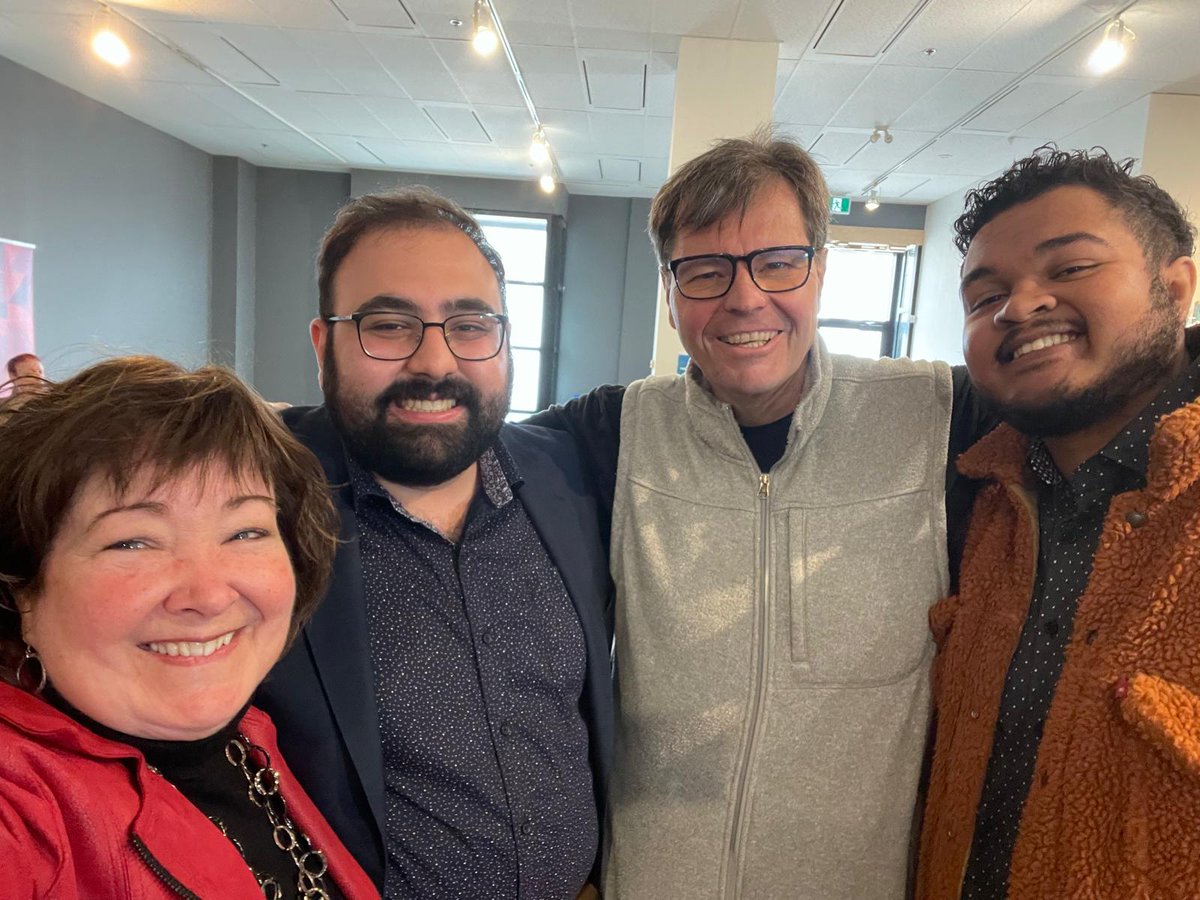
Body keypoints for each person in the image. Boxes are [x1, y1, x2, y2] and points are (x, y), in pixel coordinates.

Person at [528, 131, 990, 898]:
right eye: (705, 271)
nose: (745, 298)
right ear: (670, 293)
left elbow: (1132, 383)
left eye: (777, 262)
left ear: (820, 270)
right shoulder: (617, 431)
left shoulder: (935, 415)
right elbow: (450, 447)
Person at [255, 188, 613, 900]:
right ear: (324, 344)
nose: (434, 362)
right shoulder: (258, 498)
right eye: (389, 325)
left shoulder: (566, 471)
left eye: (470, 325)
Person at [918, 148, 1200, 898]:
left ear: (1175, 287)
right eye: (986, 296)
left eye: (1070, 268)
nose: (1019, 307)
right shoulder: (982, 500)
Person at [0, 356, 377, 899]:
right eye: (132, 542)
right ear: (20, 586)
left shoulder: (248, 737)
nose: (208, 596)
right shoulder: (19, 802)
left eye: (245, 532)